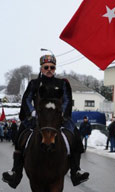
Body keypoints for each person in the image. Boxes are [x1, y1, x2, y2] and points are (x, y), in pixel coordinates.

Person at [2, 54, 89, 189]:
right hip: (37, 117)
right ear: (42, 68)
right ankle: (15, 172)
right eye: (46, 67)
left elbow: (66, 100)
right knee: (20, 135)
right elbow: (26, 99)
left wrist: (62, 115)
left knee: (75, 135)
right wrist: (32, 112)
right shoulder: (34, 83)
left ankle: (76, 170)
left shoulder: (62, 84)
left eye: (52, 67)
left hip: (57, 118)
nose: (49, 70)